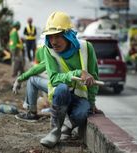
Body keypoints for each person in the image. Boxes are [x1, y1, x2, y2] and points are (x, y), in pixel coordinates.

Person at [39, 11, 100, 148]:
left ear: (68, 35)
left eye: (58, 36)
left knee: (84, 111)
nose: (53, 42)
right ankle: (55, 132)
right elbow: (54, 79)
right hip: (60, 98)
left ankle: (67, 127)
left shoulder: (86, 48)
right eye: (50, 37)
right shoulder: (48, 50)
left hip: (79, 97)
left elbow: (94, 77)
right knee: (61, 88)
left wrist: (92, 102)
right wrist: (79, 73)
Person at [12, 46, 48, 122]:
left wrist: (19, 79)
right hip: (72, 86)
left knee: (32, 79)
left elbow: (37, 68)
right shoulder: (72, 45)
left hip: (61, 86)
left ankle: (32, 113)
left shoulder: (46, 48)